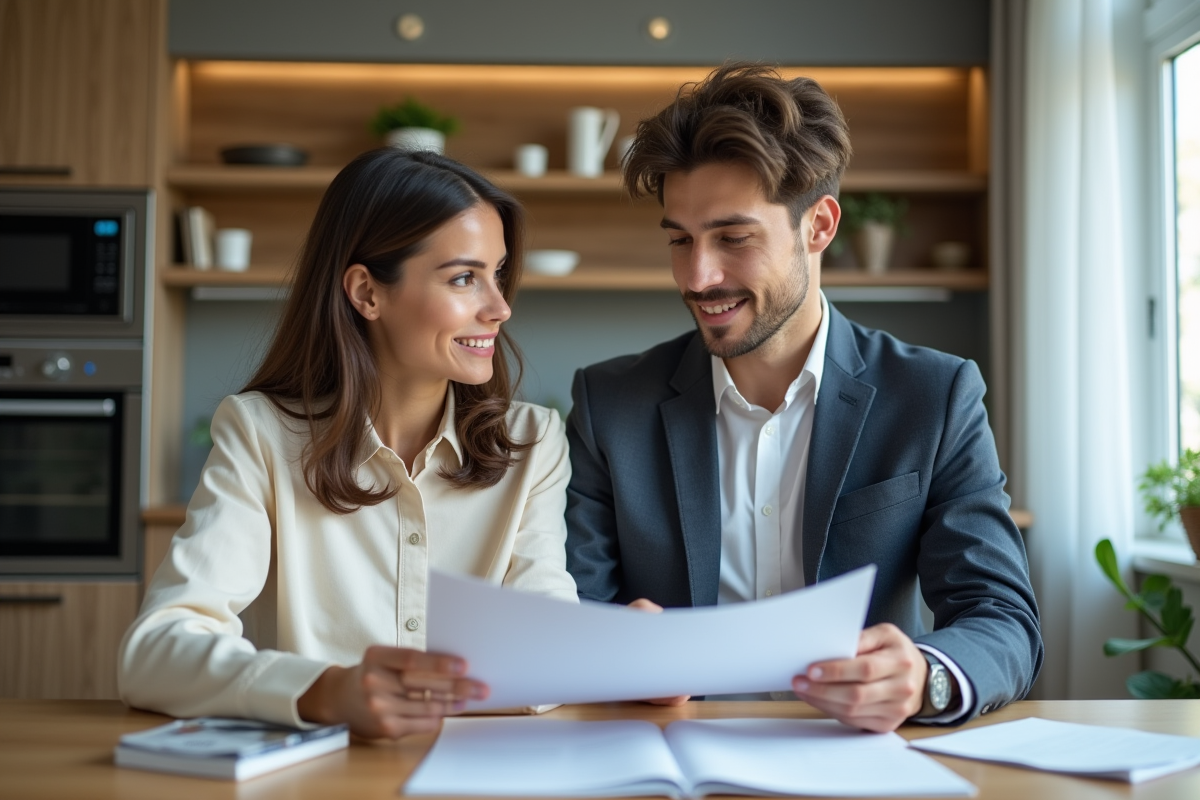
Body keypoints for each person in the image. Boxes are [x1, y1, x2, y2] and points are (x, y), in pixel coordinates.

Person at [565, 64, 1042, 732]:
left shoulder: (933, 395)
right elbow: (570, 613)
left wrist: (922, 676)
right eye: (679, 240)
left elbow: (1003, 620)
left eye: (733, 238)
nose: (698, 276)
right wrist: (608, 648)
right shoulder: (609, 404)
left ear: (819, 226)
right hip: (667, 760)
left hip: (854, 762)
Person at [119, 149, 578, 739]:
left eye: (498, 273)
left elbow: (551, 639)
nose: (499, 307)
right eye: (464, 278)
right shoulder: (259, 433)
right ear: (366, 292)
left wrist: (620, 653)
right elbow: (154, 653)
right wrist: (326, 690)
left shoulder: (532, 442)